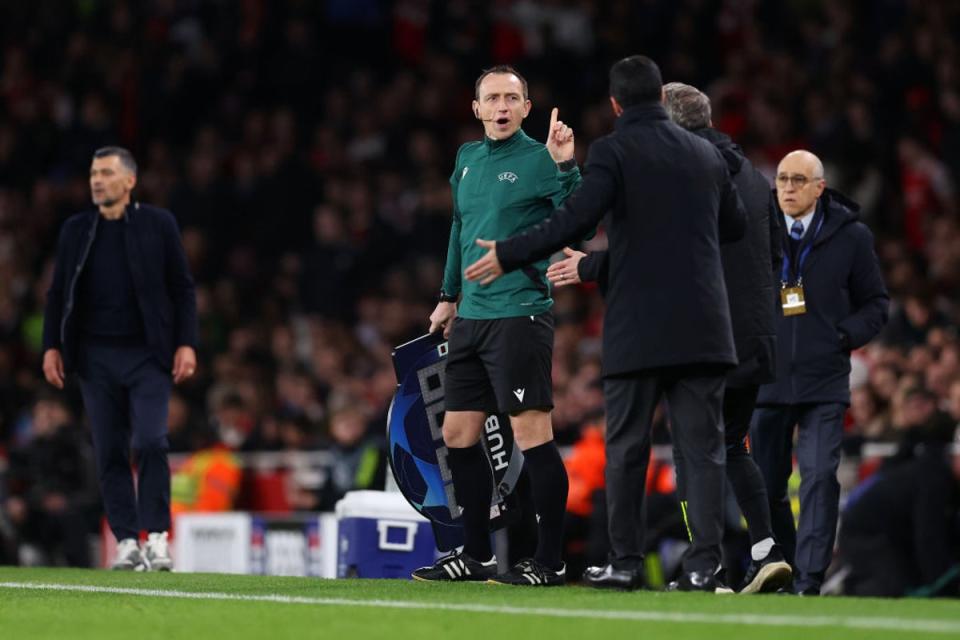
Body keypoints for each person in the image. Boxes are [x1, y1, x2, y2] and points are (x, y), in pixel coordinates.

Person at [464, 55, 746, 591]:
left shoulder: (615, 151)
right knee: (704, 450)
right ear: (662, 98)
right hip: (706, 327)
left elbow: (578, 222)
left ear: (615, 104)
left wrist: (509, 251)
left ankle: (623, 562)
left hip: (639, 329)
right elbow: (731, 225)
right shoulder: (705, 154)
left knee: (627, 449)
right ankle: (706, 567)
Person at [548, 82, 791, 593]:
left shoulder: (684, 173)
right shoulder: (751, 175)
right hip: (755, 334)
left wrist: (591, 264)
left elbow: (658, 254)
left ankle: (708, 569)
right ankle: (766, 550)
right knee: (730, 444)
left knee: (691, 451)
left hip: (703, 335)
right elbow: (774, 260)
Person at [412, 65, 580, 586]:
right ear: (477, 108)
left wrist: (566, 166)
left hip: (520, 314)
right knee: (458, 434)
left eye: (512, 98)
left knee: (532, 436)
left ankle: (550, 561)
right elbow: (459, 230)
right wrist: (447, 296)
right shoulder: (466, 159)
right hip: (472, 318)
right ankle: (477, 555)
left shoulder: (541, 158)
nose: (502, 107)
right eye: (493, 98)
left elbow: (580, 218)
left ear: (527, 108)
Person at [42, 146, 198, 571]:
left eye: (107, 173)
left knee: (150, 441)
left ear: (129, 181)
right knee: (109, 449)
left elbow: (182, 288)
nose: (97, 180)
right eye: (94, 173)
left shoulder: (158, 224)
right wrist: (51, 346)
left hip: (148, 355)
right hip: (95, 357)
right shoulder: (76, 229)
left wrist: (187, 343)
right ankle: (127, 541)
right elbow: (57, 294)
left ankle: (159, 537)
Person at [749, 150, 889, 595]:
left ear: (819, 187)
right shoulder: (758, 229)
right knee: (765, 484)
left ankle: (809, 579)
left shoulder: (852, 237)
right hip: (767, 378)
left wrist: (842, 335)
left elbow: (876, 304)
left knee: (819, 478)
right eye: (782, 180)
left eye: (797, 180)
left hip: (824, 380)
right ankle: (783, 565)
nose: (787, 188)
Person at [838, 444, 960, 598]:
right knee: (894, 587)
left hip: (889, 536)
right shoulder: (934, 480)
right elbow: (928, 537)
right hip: (866, 534)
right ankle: (853, 591)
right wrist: (943, 586)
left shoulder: (943, 479)